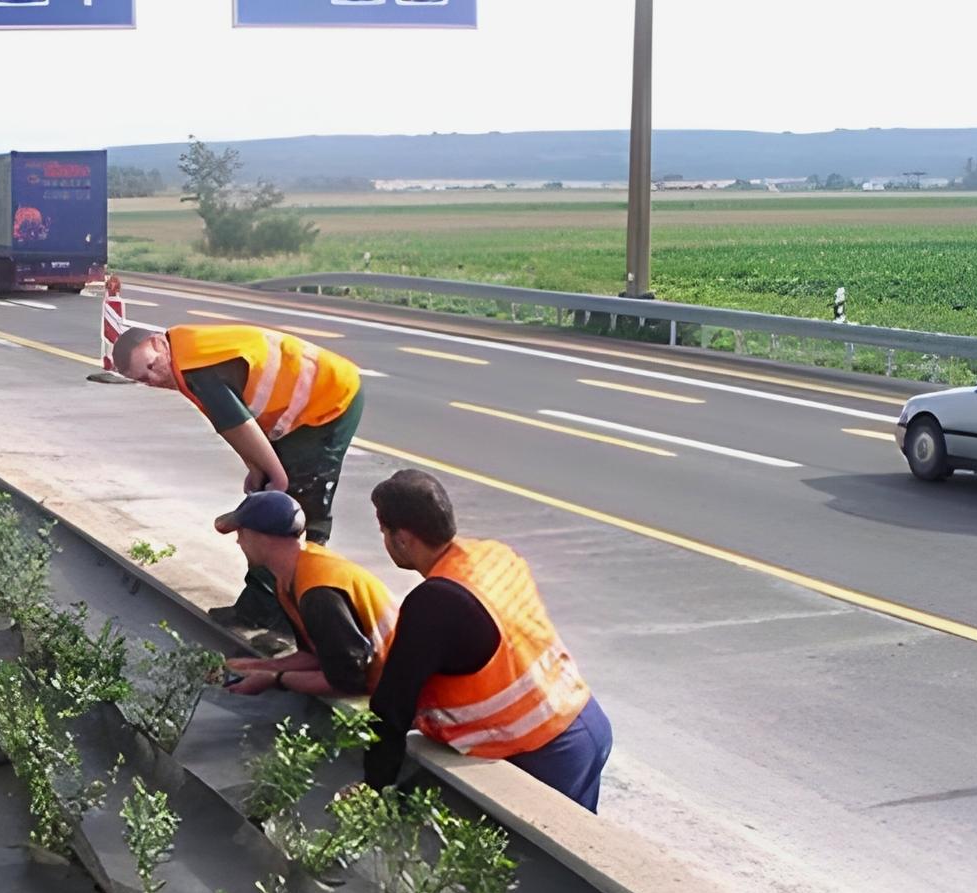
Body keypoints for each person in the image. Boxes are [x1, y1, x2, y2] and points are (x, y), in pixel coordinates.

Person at [364, 470, 612, 813]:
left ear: (403, 539)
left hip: (544, 751)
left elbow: (392, 708)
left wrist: (371, 792)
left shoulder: (434, 603)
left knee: (529, 849)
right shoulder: (492, 554)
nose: (385, 540)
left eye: (384, 532)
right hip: (583, 720)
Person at [109, 324, 364, 640]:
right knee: (270, 506)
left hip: (328, 401)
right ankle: (259, 609)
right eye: (144, 379)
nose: (154, 378)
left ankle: (292, 622)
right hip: (297, 410)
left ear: (159, 344)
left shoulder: (196, 365)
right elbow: (231, 424)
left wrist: (277, 476)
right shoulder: (184, 353)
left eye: (152, 366)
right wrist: (256, 468)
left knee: (296, 513)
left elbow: (238, 424)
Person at [213, 491, 399, 699]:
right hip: (374, 675)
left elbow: (348, 682)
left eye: (241, 533)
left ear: (261, 537)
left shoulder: (317, 592)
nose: (238, 541)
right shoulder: (291, 576)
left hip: (399, 689)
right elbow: (315, 657)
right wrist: (261, 666)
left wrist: (275, 679)